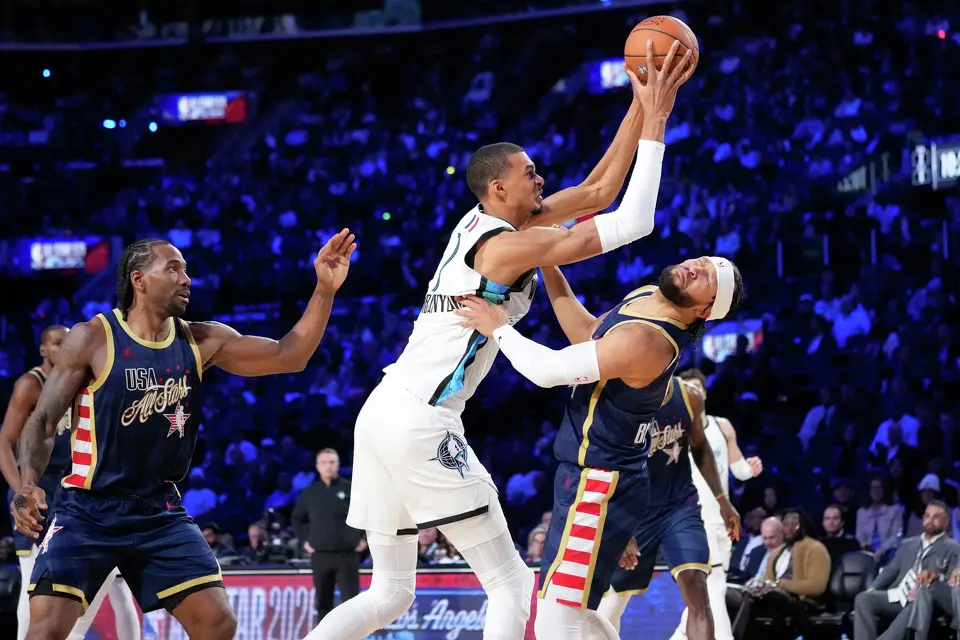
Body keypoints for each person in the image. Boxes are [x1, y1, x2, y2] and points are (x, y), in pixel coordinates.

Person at [306, 40, 694, 640]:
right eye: (528, 173)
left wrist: (642, 104)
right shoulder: (506, 247)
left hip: (381, 411)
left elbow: (595, 192)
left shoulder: (492, 223)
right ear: (497, 190)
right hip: (421, 421)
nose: (539, 177)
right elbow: (632, 220)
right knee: (511, 585)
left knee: (389, 592)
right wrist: (659, 125)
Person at [9, 230, 356, 640]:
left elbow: (289, 355)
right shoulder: (93, 337)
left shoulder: (200, 339)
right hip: (88, 509)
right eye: (173, 268)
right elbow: (44, 421)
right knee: (44, 629)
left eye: (187, 270)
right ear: (139, 280)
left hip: (159, 512)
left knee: (218, 623)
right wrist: (28, 483)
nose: (186, 278)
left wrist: (324, 290)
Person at [457, 249, 744, 640]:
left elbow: (548, 372)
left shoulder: (649, 341)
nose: (695, 267)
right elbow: (587, 333)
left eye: (707, 277)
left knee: (557, 619)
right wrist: (548, 263)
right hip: (591, 475)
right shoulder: (648, 296)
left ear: (703, 311)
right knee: (568, 613)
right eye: (702, 261)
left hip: (601, 482)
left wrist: (499, 328)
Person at [0, 326, 140, 640]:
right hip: (35, 488)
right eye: (57, 343)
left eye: (68, 342)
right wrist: (21, 489)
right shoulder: (30, 385)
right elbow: (3, 444)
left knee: (115, 585)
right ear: (43, 350)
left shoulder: (80, 380)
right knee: (35, 580)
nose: (64, 347)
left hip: (72, 490)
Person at [596, 377, 741, 639]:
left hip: (679, 507)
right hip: (635, 514)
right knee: (610, 606)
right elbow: (606, 466)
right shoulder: (619, 400)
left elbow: (699, 446)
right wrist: (618, 526)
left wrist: (722, 499)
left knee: (698, 586)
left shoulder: (689, 396)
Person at [672, 367, 763, 640]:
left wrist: (750, 468)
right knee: (713, 585)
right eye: (686, 389)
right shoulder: (675, 429)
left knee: (711, 587)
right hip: (689, 516)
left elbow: (737, 470)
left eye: (696, 388)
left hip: (720, 517)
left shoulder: (723, 426)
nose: (692, 393)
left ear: (705, 392)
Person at [854, 500, 959, 640]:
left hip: (923, 599)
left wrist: (935, 577)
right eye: (927, 516)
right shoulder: (907, 544)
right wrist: (873, 588)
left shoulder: (952, 547)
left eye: (936, 517)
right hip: (898, 594)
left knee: (915, 604)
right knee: (863, 599)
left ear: (946, 522)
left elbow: (951, 584)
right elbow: (891, 570)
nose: (930, 520)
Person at [732, 509, 831, 639]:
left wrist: (780, 585)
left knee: (752, 597)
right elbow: (767, 581)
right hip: (772, 598)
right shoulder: (776, 553)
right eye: (786, 524)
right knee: (736, 595)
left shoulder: (816, 548)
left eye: (794, 524)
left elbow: (817, 586)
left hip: (799, 602)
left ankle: (733, 636)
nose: (789, 528)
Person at [291, 448, 365, 621]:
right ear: (317, 467)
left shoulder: (351, 489)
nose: (328, 466)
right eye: (324, 463)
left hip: (347, 555)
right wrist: (304, 541)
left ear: (338, 464)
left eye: (332, 462)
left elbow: (369, 514)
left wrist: (365, 540)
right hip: (320, 555)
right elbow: (296, 518)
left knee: (352, 603)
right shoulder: (311, 492)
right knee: (323, 603)